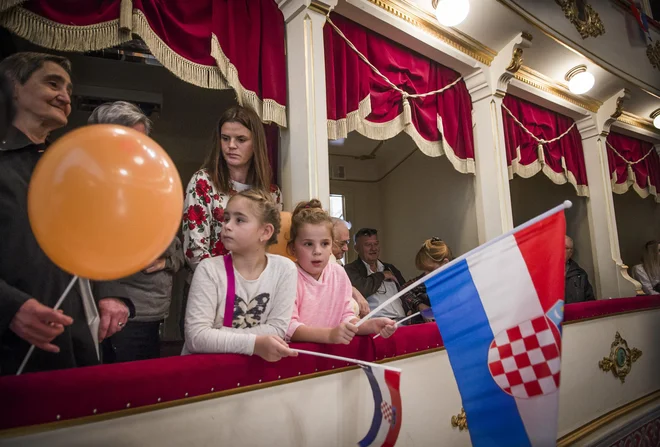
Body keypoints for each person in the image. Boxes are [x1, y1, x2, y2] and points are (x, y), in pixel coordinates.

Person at [0, 52, 132, 375]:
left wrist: (111, 292)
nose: (65, 96)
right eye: (52, 83)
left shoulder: (72, 166)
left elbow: (94, 240)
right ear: (12, 88)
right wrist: (9, 307)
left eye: (69, 90)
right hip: (10, 348)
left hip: (78, 341)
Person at [88, 101, 186, 362]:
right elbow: (91, 251)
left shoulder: (148, 183)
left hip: (150, 312)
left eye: (142, 141)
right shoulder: (90, 184)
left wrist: (167, 260)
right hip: (116, 312)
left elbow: (176, 250)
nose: (138, 150)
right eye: (128, 140)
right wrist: (105, 296)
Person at [181, 105, 282, 337]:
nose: (231, 146)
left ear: (256, 143)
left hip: (255, 296)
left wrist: (251, 288)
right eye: (225, 138)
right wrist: (228, 286)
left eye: (241, 139)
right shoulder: (203, 182)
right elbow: (195, 250)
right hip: (209, 294)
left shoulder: (271, 193)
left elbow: (269, 250)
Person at [183, 189, 298, 362]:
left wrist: (216, 336)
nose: (227, 226)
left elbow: (277, 330)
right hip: (205, 370)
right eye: (226, 218)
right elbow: (196, 338)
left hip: (251, 373)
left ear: (265, 232)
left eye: (240, 220)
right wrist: (255, 344)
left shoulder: (285, 270)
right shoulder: (208, 269)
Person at [286, 201, 396, 344]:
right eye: (308, 244)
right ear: (293, 248)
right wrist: (329, 335)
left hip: (335, 360)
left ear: (332, 245)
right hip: (300, 360)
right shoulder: (288, 276)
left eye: (325, 243)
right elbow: (288, 327)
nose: (317, 251)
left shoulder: (338, 273)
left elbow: (347, 317)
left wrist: (371, 325)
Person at [344, 228, 408, 320]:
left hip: (403, 321)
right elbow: (361, 289)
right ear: (356, 248)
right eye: (368, 245)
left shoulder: (390, 268)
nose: (373, 248)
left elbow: (405, 291)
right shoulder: (350, 269)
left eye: (376, 244)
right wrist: (382, 275)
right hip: (375, 325)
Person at [401, 238, 453, 322]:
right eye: (424, 270)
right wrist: (420, 306)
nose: (426, 275)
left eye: (430, 270)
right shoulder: (426, 278)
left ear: (445, 263)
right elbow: (404, 289)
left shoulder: (461, 279)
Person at [331, 217, 369, 317]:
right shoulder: (326, 266)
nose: (346, 248)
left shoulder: (337, 263)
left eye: (347, 242)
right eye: (341, 243)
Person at [564, 235, 596, 304]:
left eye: (564, 247)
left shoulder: (580, 274)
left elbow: (590, 302)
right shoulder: (542, 273)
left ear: (571, 252)